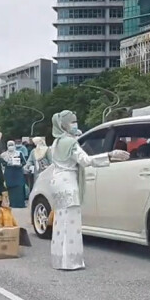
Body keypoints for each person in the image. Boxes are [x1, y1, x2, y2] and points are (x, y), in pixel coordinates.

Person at [50, 110, 129, 270]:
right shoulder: (70, 143)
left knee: (60, 221)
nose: (75, 124)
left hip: (57, 182)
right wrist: (110, 155)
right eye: (72, 122)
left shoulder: (56, 143)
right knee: (71, 222)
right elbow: (85, 160)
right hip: (68, 183)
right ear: (64, 125)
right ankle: (71, 261)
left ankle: (59, 259)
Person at [1, 140, 27, 208]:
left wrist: (19, 164)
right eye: (9, 145)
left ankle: (20, 204)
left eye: (12, 145)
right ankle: (12, 203)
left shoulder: (19, 153)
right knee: (10, 188)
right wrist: (8, 164)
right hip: (9, 173)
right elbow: (2, 164)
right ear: (7, 146)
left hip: (18, 172)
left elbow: (24, 162)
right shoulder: (3, 155)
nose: (11, 147)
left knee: (19, 188)